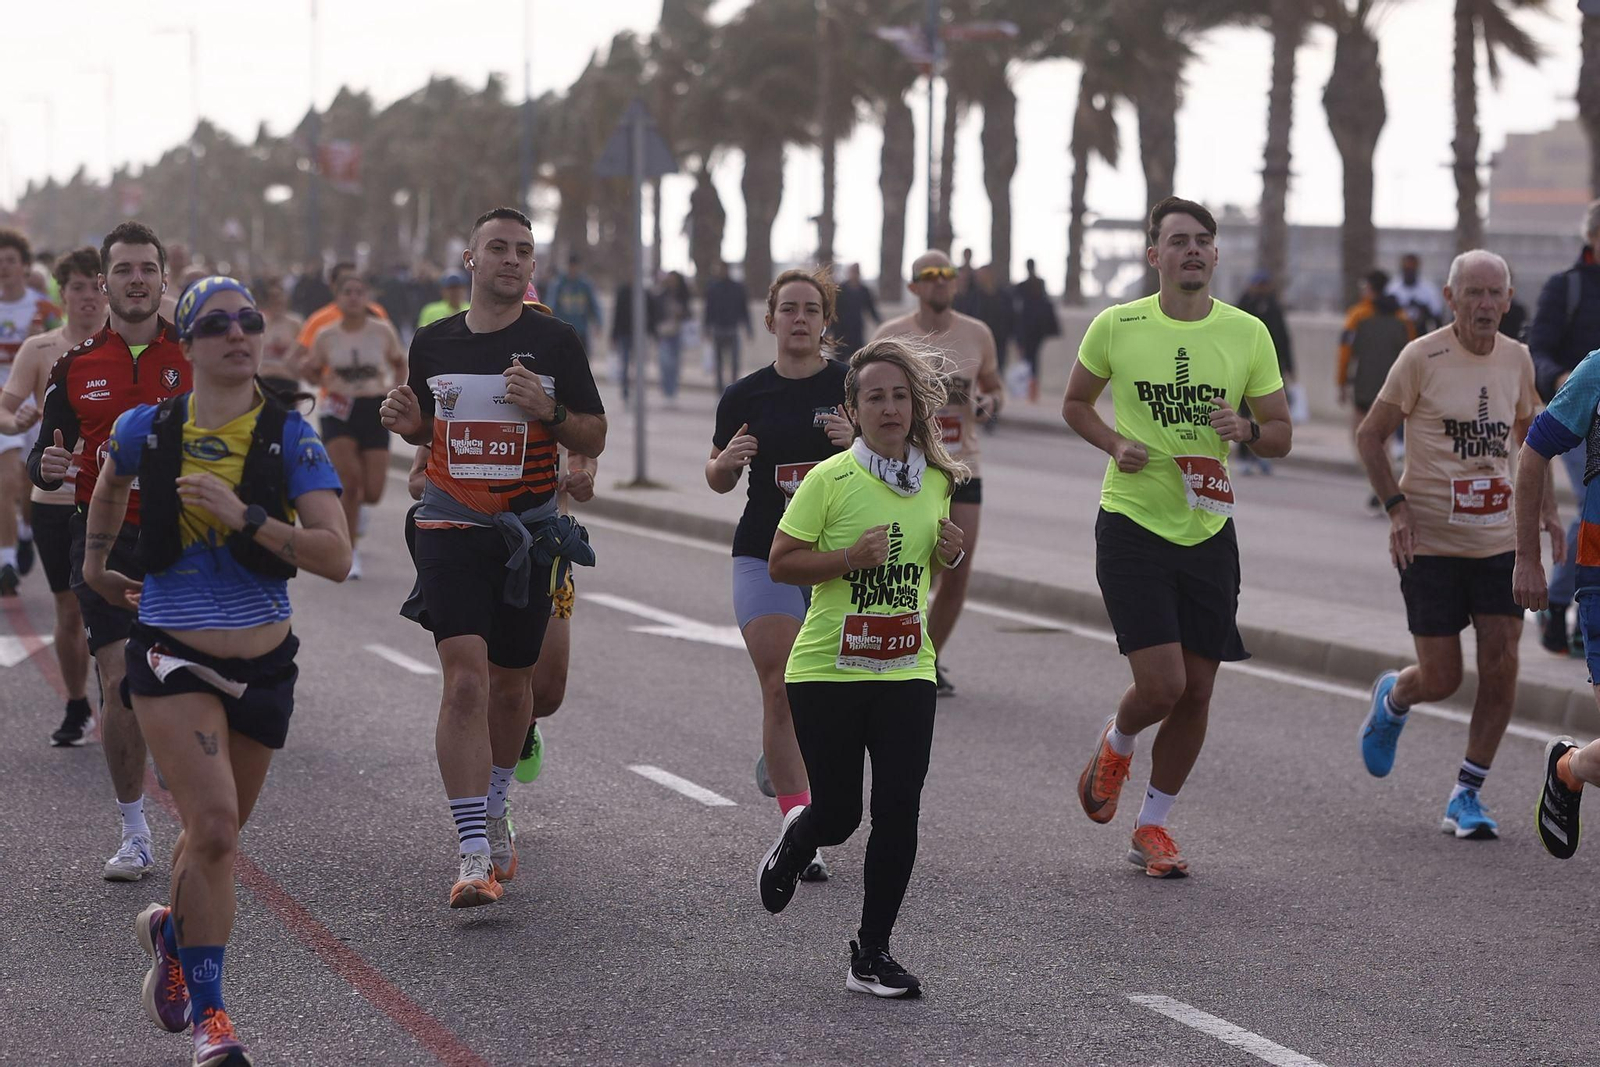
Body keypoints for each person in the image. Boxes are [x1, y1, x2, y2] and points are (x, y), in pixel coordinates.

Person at [85, 274, 349, 1067]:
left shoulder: (289, 438)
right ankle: (215, 1022)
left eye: (251, 322)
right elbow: (108, 485)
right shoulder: (148, 428)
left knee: (209, 848)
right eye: (219, 324)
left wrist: (249, 517)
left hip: (266, 663)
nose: (239, 333)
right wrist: (97, 562)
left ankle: (172, 933)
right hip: (172, 652)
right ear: (190, 343)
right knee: (216, 829)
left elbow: (336, 556)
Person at [380, 206, 606, 908]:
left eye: (524, 251)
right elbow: (427, 423)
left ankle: (499, 801)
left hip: (529, 535)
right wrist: (405, 419)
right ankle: (472, 850)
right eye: (498, 248)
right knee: (466, 682)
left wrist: (547, 409)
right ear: (470, 260)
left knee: (516, 687)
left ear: (532, 266)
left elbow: (592, 431)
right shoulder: (435, 340)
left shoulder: (555, 340)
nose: (512, 259)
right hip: (450, 526)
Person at [1063, 196, 1292, 877]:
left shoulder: (1248, 333)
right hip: (1132, 523)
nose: (1191, 250)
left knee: (1197, 691)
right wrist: (1112, 442)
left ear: (1216, 255)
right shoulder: (1118, 324)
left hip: (1209, 529)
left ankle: (1153, 826)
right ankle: (1120, 736)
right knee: (1161, 685)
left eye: (1202, 240)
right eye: (1177, 240)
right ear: (1153, 254)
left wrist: (1246, 430)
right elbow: (1075, 403)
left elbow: (1280, 433)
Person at [761, 336, 968, 999]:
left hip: (908, 667)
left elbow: (922, 570)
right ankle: (798, 842)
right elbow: (781, 562)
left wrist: (951, 556)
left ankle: (870, 953)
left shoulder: (938, 480)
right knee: (843, 814)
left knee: (900, 809)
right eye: (874, 396)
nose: (888, 407)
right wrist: (849, 558)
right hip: (828, 668)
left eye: (899, 395)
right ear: (852, 409)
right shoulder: (830, 480)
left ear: (914, 406)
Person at [1355, 249, 1553, 841]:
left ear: (1509, 301)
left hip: (1496, 542)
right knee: (1442, 678)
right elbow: (1370, 437)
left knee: (1502, 661)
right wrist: (1396, 510)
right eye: (1474, 294)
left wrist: (1546, 517)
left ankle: (1467, 793)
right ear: (1450, 298)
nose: (1485, 305)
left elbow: (1531, 440)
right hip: (1432, 543)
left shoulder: (1518, 360)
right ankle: (1395, 697)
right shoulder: (1421, 357)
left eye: (1495, 294)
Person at [29, 221, 193, 881]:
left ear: (161, 278)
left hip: (188, 537)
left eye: (145, 269)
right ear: (104, 281)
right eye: (121, 270)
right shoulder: (76, 364)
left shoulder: (196, 354)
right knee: (120, 683)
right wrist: (48, 464)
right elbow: (49, 458)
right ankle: (135, 833)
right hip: (103, 535)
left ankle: (198, 811)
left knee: (183, 685)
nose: (134, 280)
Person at [708, 266, 852, 882]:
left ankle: (786, 755)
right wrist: (727, 461)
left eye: (810, 309)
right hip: (764, 554)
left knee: (833, 700)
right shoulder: (745, 395)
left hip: (840, 564)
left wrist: (858, 443)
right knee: (782, 684)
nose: (799, 318)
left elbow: (899, 467)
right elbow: (715, 477)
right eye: (788, 308)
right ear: (769, 321)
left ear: (825, 322)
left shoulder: (855, 389)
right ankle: (801, 827)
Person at [873, 250, 1003, 697]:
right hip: (907, 467)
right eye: (929, 275)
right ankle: (894, 650)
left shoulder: (977, 334)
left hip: (963, 467)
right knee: (904, 567)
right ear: (914, 287)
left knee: (957, 569)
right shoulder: (892, 336)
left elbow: (994, 386)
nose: (940, 282)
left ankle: (928, 657)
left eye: (946, 274)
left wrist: (991, 404)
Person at [0, 247, 105, 744]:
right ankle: (76, 703)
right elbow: (5, 407)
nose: (87, 297)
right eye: (78, 288)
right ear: (62, 295)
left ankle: (133, 705)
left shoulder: (138, 352)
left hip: (121, 501)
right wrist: (14, 421)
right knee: (69, 610)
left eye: (95, 286)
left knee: (127, 608)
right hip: (56, 503)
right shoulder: (41, 350)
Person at [1513, 345, 1600, 861]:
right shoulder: (1596, 370)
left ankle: (1571, 766)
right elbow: (1534, 449)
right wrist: (1527, 556)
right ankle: (1567, 769)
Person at [1528, 199, 1600, 656]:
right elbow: (1538, 351)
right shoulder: (1566, 287)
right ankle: (1562, 603)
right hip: (1581, 417)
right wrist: (1565, 382)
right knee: (1591, 510)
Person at [300, 272, 405, 580]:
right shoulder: (326, 334)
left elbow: (399, 360)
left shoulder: (382, 330)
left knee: (372, 491)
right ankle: (350, 551)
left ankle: (357, 512)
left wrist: (397, 389)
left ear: (368, 296)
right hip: (338, 409)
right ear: (338, 296)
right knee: (350, 482)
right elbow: (310, 368)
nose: (354, 297)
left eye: (360, 291)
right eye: (348, 292)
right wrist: (317, 378)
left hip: (374, 406)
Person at [0, 227, 62, 594]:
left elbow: (64, 351)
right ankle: (6, 560)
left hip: (36, 405)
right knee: (5, 480)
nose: (4, 268)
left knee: (26, 483)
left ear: (25, 266)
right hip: (3, 404)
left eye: (11, 261)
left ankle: (25, 531)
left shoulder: (44, 309)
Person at [1337, 270, 1416, 510]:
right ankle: (1384, 482)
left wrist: (1341, 382)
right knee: (1386, 439)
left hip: (1364, 387)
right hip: (1393, 387)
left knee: (1360, 435)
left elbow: (1344, 353)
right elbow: (1412, 352)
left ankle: (1378, 483)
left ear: (1370, 289)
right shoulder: (1402, 317)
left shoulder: (1357, 316)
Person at [1235, 270, 1297, 475]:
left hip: (1270, 367)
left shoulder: (1274, 308)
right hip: (1244, 366)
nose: (1262, 289)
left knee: (1267, 416)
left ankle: (1261, 457)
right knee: (1244, 415)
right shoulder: (1243, 306)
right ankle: (1244, 457)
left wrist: (1289, 367)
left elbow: (1283, 338)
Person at [1013, 258, 1060, 403]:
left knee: (1028, 359)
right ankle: (1032, 391)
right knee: (1033, 360)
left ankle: (1030, 391)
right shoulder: (1038, 283)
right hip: (1036, 328)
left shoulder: (1024, 285)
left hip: (1028, 328)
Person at [704, 261, 754, 392]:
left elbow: (744, 309)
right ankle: (720, 388)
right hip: (718, 328)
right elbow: (708, 309)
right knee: (719, 362)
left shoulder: (737, 287)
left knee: (734, 362)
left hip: (732, 328)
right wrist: (707, 328)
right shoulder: (713, 288)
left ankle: (734, 387)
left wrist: (748, 328)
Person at [548, 253, 603, 354]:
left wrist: (598, 323)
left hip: (580, 330)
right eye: (571, 266)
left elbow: (594, 304)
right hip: (563, 329)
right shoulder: (559, 284)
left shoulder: (585, 285)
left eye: (575, 267)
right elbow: (551, 304)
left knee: (582, 357)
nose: (573, 269)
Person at [258, 279, 304, 397]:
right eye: (273, 298)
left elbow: (303, 351)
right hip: (264, 379)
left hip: (287, 380)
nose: (276, 301)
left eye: (279, 297)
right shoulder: (260, 322)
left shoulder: (295, 323)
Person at [653, 271, 691, 405]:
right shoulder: (662, 295)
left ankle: (672, 391)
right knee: (665, 362)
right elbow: (655, 312)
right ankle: (666, 389)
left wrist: (682, 312)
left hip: (677, 332)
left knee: (675, 363)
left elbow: (689, 313)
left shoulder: (682, 295)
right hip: (664, 332)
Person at [1389, 252, 1446, 336]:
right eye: (1406, 269)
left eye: (1412, 269)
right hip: (1399, 333)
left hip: (1421, 333)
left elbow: (1437, 313)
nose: (1409, 273)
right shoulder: (1392, 288)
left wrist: (1421, 307)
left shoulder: (1429, 289)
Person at [830, 263, 879, 357]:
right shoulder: (840, 289)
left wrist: (879, 322)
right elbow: (834, 310)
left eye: (857, 272)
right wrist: (829, 329)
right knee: (841, 356)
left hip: (856, 329)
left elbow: (870, 308)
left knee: (857, 356)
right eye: (853, 271)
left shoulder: (864, 290)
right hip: (841, 329)